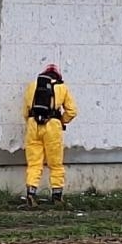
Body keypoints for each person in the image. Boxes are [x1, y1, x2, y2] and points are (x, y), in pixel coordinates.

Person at [22, 63, 78, 207]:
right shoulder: (61, 87)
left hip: (33, 125)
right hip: (52, 126)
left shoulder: (32, 86)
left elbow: (25, 111)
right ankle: (57, 197)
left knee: (34, 163)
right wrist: (61, 121)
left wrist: (31, 122)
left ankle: (31, 194)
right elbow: (72, 111)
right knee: (55, 164)